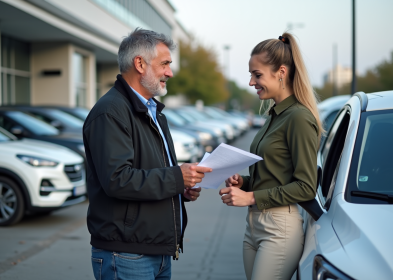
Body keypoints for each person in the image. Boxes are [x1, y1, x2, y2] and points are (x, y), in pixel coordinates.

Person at [83, 28, 212, 280]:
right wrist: (176, 177)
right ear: (139, 64)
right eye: (164, 64)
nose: (170, 72)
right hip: (127, 255)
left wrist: (180, 188)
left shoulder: (153, 111)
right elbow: (117, 180)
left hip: (156, 251)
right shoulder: (110, 113)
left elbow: (150, 170)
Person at [219, 32, 323, 280]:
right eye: (251, 75)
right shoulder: (273, 115)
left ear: (281, 72)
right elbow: (274, 175)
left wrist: (250, 196)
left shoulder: (298, 117)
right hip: (253, 226)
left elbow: (306, 187)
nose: (251, 82)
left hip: (279, 228)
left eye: (257, 75)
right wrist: (243, 182)